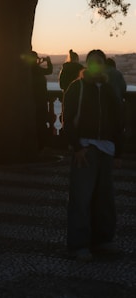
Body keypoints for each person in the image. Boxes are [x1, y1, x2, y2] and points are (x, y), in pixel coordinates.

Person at [63, 49, 123, 262]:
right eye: (93, 62)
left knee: (105, 198)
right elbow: (67, 120)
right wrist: (77, 146)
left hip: (107, 149)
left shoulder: (108, 90)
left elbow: (118, 122)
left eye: (100, 62)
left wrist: (118, 151)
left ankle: (103, 240)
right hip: (85, 148)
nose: (96, 66)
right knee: (81, 197)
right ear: (87, 65)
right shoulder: (76, 88)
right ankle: (78, 245)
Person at [29, 51, 53, 150]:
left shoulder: (29, 69)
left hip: (35, 100)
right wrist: (48, 61)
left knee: (38, 122)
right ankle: (41, 144)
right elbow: (49, 71)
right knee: (41, 122)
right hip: (40, 100)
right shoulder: (35, 69)